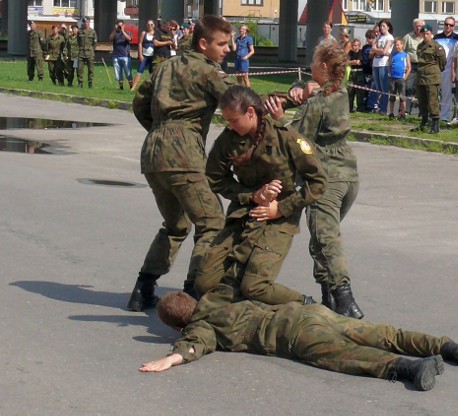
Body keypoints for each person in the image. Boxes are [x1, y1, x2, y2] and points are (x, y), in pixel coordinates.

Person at [140, 286, 458, 392]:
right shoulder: (219, 296)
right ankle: (452, 348)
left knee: (346, 355)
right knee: (384, 333)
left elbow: (194, 345)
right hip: (308, 313)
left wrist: (172, 358)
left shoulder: (199, 328)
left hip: (293, 334)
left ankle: (411, 370)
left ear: (177, 326)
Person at [127, 16, 236, 312]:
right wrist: (289, 100)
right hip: (184, 153)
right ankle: (193, 295)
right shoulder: (210, 72)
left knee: (175, 225)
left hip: (152, 153)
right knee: (212, 223)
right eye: (223, 44)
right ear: (204, 43)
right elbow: (240, 103)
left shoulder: (165, 67)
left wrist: (160, 129)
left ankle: (143, 288)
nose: (229, 49)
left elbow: (139, 103)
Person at [194, 85, 327, 304]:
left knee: (254, 286)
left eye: (234, 120)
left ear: (250, 113)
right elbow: (215, 178)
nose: (230, 126)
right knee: (206, 283)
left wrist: (280, 209)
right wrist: (252, 195)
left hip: (279, 218)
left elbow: (318, 182)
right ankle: (240, 309)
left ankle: (306, 305)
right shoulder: (228, 140)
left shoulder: (285, 137)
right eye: (227, 121)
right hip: (244, 212)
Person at [267, 43, 364, 319]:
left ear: (323, 66)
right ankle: (328, 297)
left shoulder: (317, 103)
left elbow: (297, 141)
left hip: (326, 177)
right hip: (349, 176)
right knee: (321, 239)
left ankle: (345, 298)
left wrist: (279, 119)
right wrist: (304, 86)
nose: (310, 65)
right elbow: (318, 89)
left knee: (325, 238)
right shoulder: (340, 92)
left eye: (313, 61)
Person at [413, 24, 446, 133]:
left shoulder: (437, 46)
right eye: (423, 34)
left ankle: (435, 123)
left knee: (432, 101)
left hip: (432, 77)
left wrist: (435, 71)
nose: (425, 36)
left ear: (431, 34)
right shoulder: (420, 46)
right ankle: (424, 121)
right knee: (422, 101)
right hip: (421, 76)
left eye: (427, 34)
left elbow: (442, 63)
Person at [434, 16, 458, 123]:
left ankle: (444, 117)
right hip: (437, 69)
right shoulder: (436, 37)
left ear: (454, 26)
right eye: (446, 24)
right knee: (434, 93)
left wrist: (455, 71)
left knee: (447, 94)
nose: (448, 27)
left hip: (450, 69)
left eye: (451, 25)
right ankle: (434, 114)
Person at [370, 19, 394, 114]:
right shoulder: (379, 36)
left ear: (388, 27)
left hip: (384, 64)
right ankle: (378, 106)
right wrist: (381, 51)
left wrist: (379, 50)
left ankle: (383, 108)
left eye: (384, 26)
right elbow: (373, 48)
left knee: (384, 87)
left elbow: (385, 51)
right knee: (377, 87)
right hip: (375, 63)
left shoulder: (390, 38)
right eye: (381, 26)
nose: (382, 28)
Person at [403, 19, 426, 116]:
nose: (418, 28)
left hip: (423, 65)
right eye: (417, 26)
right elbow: (402, 52)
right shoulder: (408, 37)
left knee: (422, 89)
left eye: (420, 26)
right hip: (411, 65)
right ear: (413, 26)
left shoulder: (426, 37)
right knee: (408, 87)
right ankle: (407, 110)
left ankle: (422, 111)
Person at [387, 37, 411, 120]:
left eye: (398, 45)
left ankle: (402, 114)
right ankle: (391, 113)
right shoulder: (392, 55)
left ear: (402, 45)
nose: (397, 47)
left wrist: (405, 77)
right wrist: (390, 74)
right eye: (395, 45)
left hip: (401, 78)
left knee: (402, 97)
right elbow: (389, 65)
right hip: (393, 78)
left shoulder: (405, 55)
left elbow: (409, 67)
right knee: (392, 96)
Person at [108, 19, 133, 90]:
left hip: (125, 56)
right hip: (116, 56)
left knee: (128, 73)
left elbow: (129, 39)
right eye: (119, 26)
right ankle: (121, 87)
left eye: (121, 26)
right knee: (118, 74)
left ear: (124, 26)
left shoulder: (128, 33)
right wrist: (114, 30)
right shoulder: (115, 34)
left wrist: (123, 31)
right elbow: (110, 38)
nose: (120, 27)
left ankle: (131, 87)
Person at [132, 20, 155, 90]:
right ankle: (133, 87)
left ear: (154, 25)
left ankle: (152, 87)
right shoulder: (143, 33)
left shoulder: (156, 34)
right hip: (145, 55)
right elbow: (140, 44)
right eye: (148, 24)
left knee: (152, 72)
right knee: (140, 70)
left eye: (151, 24)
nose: (150, 26)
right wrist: (140, 54)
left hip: (153, 56)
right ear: (146, 25)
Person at [77, 17, 97, 88]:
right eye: (85, 22)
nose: (86, 23)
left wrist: (91, 49)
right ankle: (80, 82)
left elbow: (95, 43)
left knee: (91, 69)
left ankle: (90, 83)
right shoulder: (79, 31)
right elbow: (78, 41)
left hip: (90, 53)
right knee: (79, 69)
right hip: (81, 53)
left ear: (89, 22)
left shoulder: (93, 32)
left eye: (87, 22)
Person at [347, 38, 365, 112]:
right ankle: (350, 108)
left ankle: (360, 108)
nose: (354, 47)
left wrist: (352, 62)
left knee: (359, 91)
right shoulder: (350, 53)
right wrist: (353, 62)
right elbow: (346, 62)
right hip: (352, 72)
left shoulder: (361, 52)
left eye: (356, 45)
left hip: (359, 73)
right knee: (350, 91)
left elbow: (359, 62)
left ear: (359, 46)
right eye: (353, 45)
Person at [362, 30, 376, 112]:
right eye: (368, 38)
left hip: (373, 70)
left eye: (371, 38)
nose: (369, 40)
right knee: (365, 88)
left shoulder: (375, 47)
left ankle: (372, 105)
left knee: (373, 88)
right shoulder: (365, 47)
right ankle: (365, 104)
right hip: (365, 70)